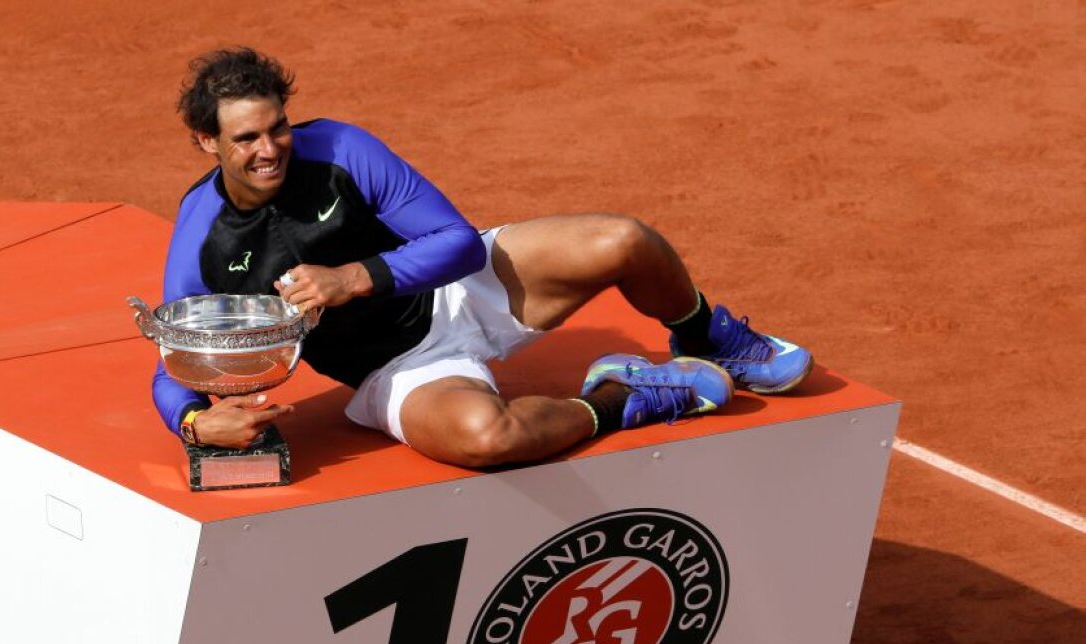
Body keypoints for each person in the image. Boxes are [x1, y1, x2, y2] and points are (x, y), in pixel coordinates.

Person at [153, 47, 812, 468]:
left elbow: (458, 243)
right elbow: (173, 364)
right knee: (487, 440)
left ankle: (706, 336)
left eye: (278, 127)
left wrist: (352, 278)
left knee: (625, 241)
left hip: (458, 290)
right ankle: (626, 394)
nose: (270, 148)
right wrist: (194, 419)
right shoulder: (202, 238)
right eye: (247, 138)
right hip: (398, 370)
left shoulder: (341, 149)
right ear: (206, 141)